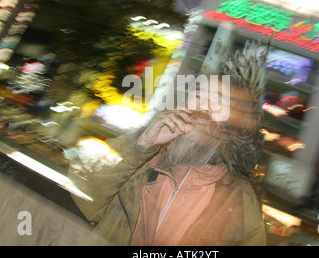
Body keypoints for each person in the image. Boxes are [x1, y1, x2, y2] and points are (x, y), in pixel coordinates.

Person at [69, 75, 267, 246]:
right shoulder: (140, 161)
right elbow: (83, 192)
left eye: (218, 103)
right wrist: (142, 143)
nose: (202, 106)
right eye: (197, 96)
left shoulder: (242, 202)